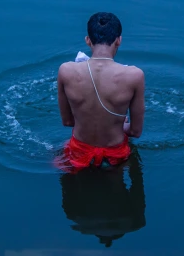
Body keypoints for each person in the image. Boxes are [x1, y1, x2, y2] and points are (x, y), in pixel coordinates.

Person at [56, 12, 145, 172]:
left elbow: (67, 122)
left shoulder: (65, 71)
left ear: (88, 40)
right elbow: (135, 132)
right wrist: (119, 124)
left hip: (78, 154)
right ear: (119, 40)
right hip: (115, 157)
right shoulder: (134, 76)